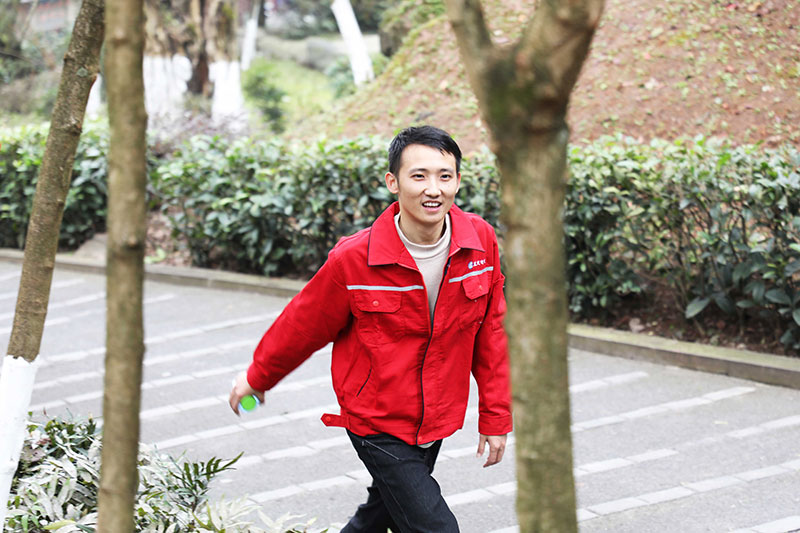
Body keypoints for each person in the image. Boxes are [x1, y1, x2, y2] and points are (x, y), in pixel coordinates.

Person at [229, 125, 512, 532]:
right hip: (376, 420)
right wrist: (258, 377)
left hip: (435, 415)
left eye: (444, 176)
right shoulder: (355, 258)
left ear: (457, 181)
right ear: (393, 182)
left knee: (380, 515)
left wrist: (495, 416)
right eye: (419, 176)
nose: (433, 189)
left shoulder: (479, 242)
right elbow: (302, 326)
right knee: (434, 527)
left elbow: (491, 333)